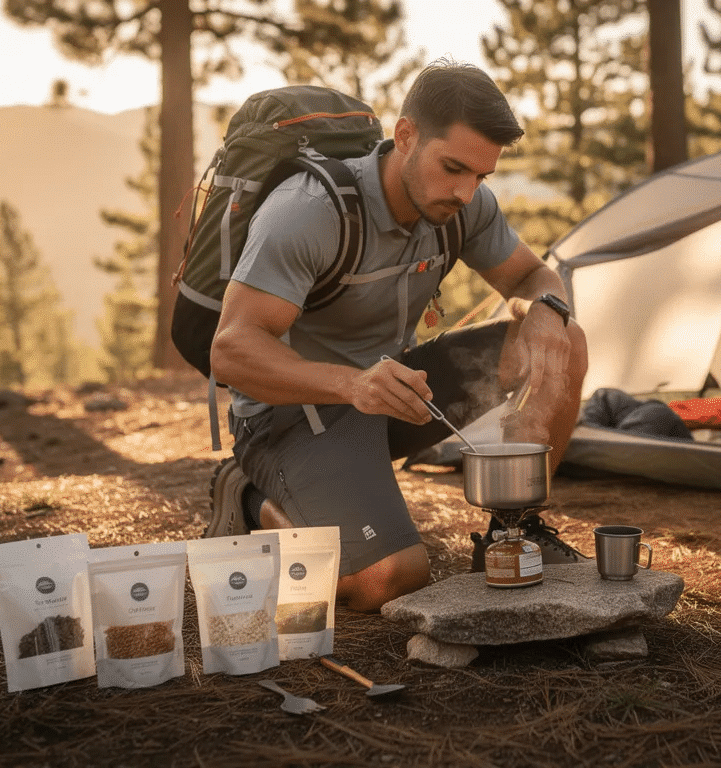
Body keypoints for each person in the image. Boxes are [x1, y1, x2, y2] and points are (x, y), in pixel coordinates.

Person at [204, 60, 589, 612]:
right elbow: (232, 351)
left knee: (567, 340)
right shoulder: (310, 211)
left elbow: (533, 276)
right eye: (453, 167)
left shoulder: (463, 206)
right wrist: (353, 385)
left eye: (481, 176)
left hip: (397, 393)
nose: (465, 192)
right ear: (405, 136)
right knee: (387, 578)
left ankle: (517, 530)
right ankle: (247, 499)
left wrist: (549, 310)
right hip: (291, 417)